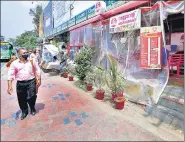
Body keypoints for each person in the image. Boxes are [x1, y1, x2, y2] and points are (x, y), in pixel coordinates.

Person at [7, 48, 41, 120]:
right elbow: (10, 74)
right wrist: (9, 85)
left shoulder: (32, 61)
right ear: (19, 54)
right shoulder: (14, 63)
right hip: (20, 83)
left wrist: (39, 79)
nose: (26, 54)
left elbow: (38, 69)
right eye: (24, 53)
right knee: (21, 99)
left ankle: (32, 108)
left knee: (32, 96)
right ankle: (24, 111)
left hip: (31, 81)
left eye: (27, 52)